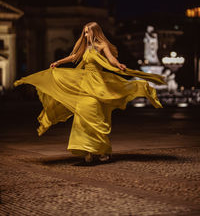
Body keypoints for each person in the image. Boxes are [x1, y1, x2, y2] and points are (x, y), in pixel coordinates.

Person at [14, 22, 167, 164]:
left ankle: (101, 151)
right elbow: (74, 57)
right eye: (85, 33)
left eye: (88, 32)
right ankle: (87, 150)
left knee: (95, 116)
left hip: (97, 84)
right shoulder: (85, 48)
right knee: (81, 113)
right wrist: (59, 62)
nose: (86, 35)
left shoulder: (102, 45)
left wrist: (118, 64)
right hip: (84, 83)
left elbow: (111, 59)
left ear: (95, 32)